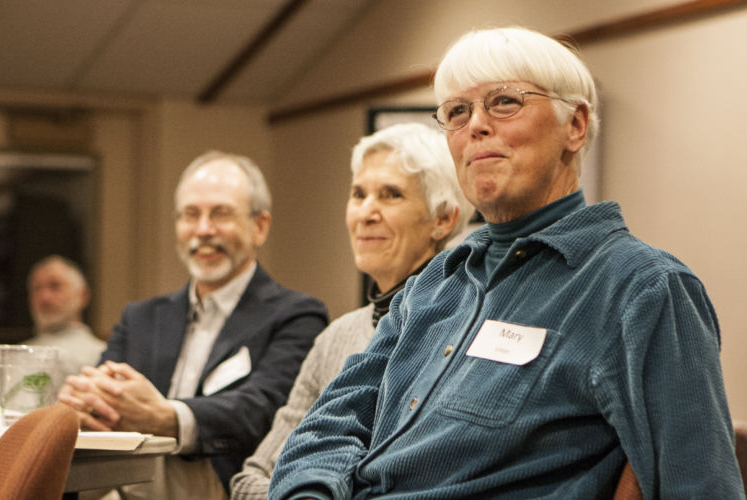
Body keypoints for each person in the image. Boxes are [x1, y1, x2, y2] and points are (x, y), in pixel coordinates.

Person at [269, 27, 745, 499]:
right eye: (457, 111)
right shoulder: (435, 282)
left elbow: (702, 486)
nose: (475, 125)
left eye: (504, 102)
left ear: (575, 126)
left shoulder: (641, 290)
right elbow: (326, 427)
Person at [58, 151, 328, 499]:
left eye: (221, 214)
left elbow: (264, 410)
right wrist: (84, 403)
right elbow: (101, 398)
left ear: (259, 226)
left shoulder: (297, 316)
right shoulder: (139, 317)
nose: (203, 230)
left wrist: (167, 418)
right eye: (190, 215)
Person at [229, 123, 474, 499]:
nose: (366, 212)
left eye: (391, 195)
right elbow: (253, 476)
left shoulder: (463, 332)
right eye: (358, 194)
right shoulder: (335, 339)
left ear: (443, 219)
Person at [0, 255, 105, 409]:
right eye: (37, 289)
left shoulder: (100, 354)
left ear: (83, 295)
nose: (44, 297)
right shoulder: (9, 354)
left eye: (55, 286)